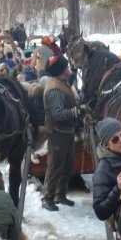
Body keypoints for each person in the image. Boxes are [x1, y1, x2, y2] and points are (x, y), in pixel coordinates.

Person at [41, 55, 81, 211]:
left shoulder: (62, 83)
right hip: (58, 132)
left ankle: (60, 195)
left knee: (67, 164)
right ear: (61, 70)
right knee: (55, 166)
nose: (69, 67)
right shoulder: (54, 89)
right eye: (66, 66)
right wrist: (76, 111)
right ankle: (47, 198)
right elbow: (58, 114)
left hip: (67, 131)